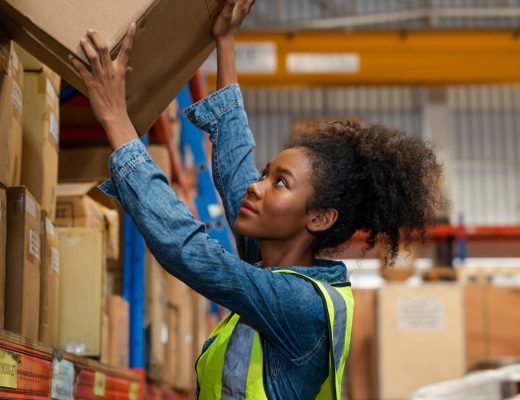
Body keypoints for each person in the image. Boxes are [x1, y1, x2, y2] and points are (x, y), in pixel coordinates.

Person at [70, 0, 444, 398]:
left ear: (318, 218)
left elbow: (189, 252)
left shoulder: (300, 303)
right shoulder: (271, 263)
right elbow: (235, 169)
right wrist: (225, 42)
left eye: (280, 183)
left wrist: (114, 114)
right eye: (267, 173)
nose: (256, 186)